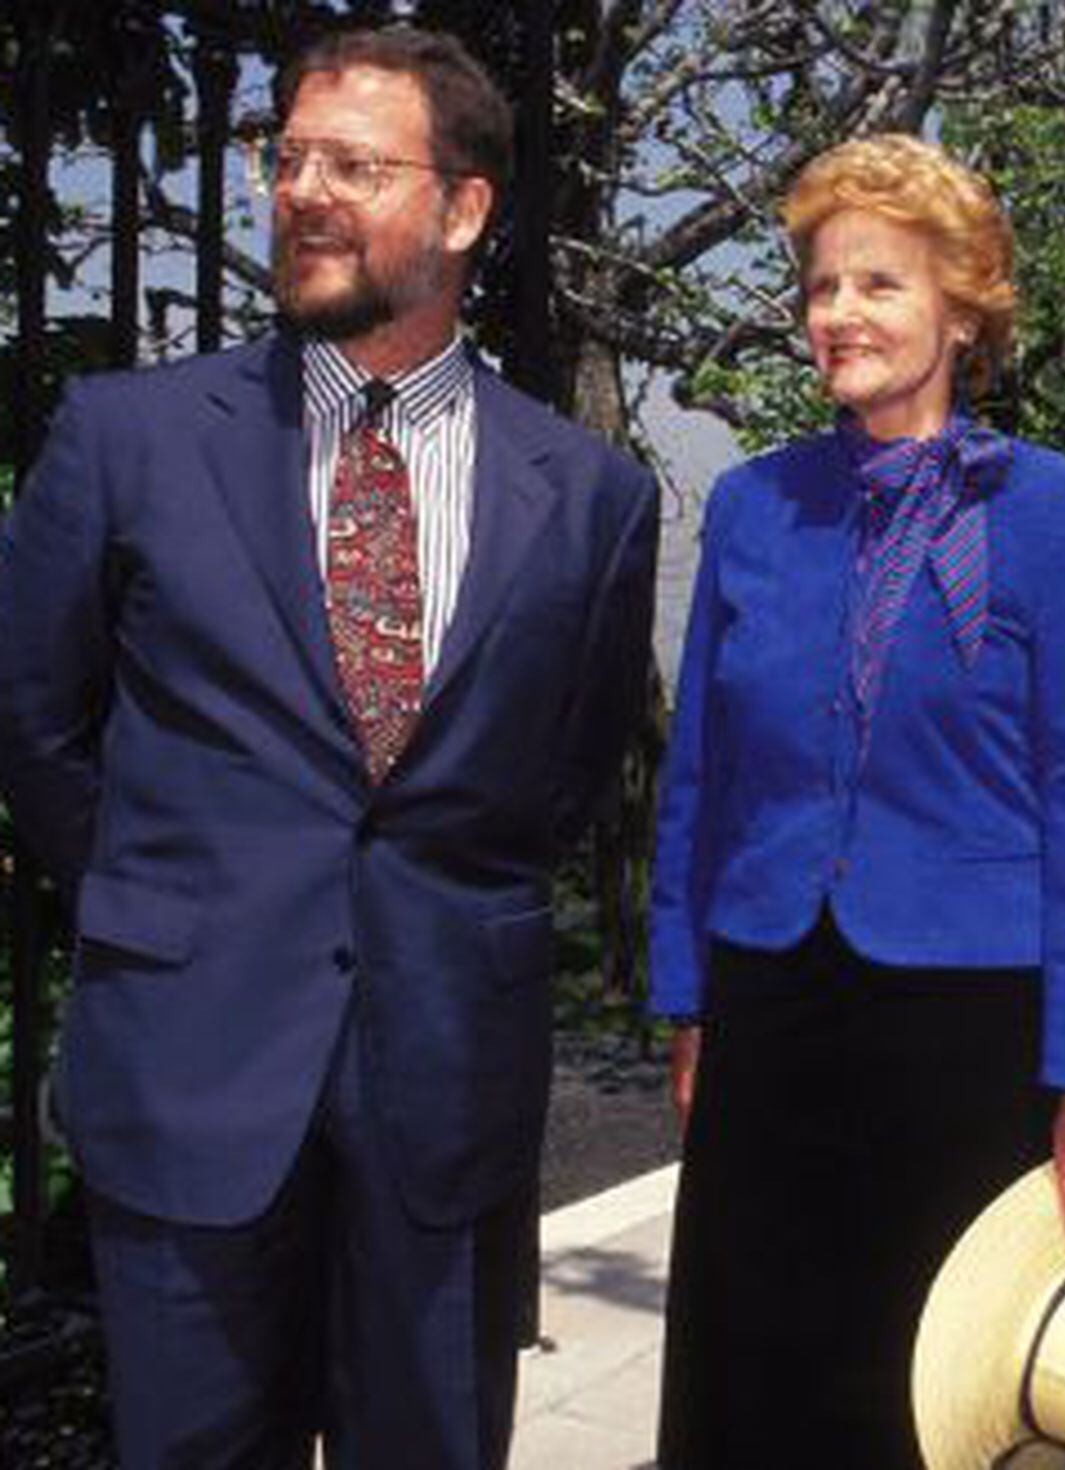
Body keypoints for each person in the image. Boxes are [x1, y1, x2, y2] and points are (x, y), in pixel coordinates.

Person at [0, 26, 657, 1467]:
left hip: (444, 1091)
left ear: (467, 208)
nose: (303, 191)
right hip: (190, 1072)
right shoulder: (128, 437)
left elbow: (560, 774)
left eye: (354, 164)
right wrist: (170, 898)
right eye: (285, 157)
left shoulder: (592, 496)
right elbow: (34, 725)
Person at [645, 133, 1065, 1469]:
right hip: (771, 999)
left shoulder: (1060, 513)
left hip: (970, 1020)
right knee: (756, 1371)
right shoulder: (755, 507)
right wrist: (687, 994)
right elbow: (701, 769)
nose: (840, 315)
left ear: (963, 305)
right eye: (820, 287)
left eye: (879, 284)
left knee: (931, 1387)